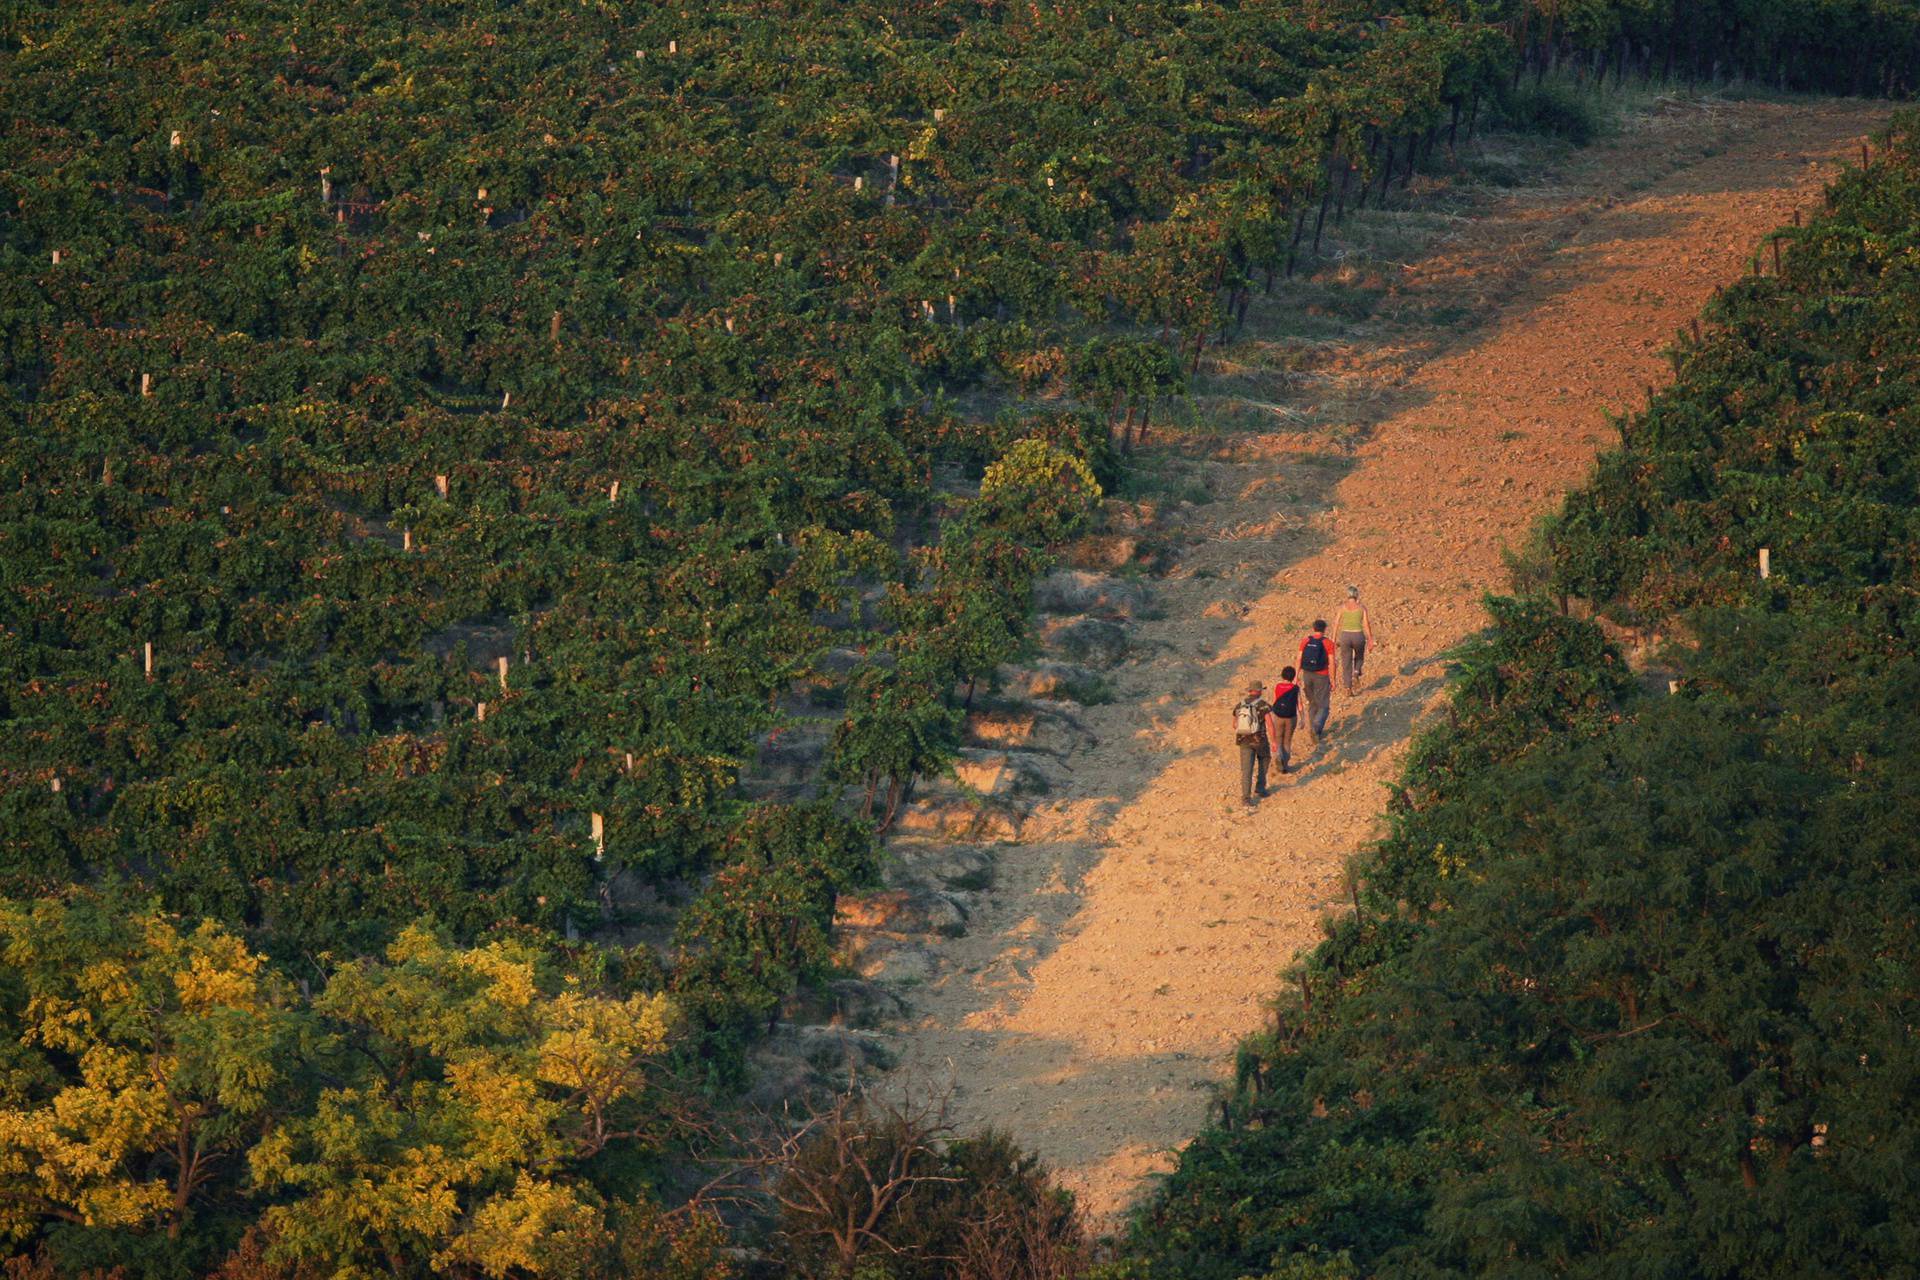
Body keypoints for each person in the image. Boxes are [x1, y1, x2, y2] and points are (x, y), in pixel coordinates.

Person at [1331, 584, 1376, 697]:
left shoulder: (1342, 607)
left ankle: (1348, 688)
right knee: (1360, 656)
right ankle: (1356, 673)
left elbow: (1336, 623)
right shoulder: (1362, 608)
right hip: (1358, 635)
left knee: (1346, 662)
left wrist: (1333, 638)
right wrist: (1370, 639)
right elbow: (1366, 625)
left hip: (1345, 636)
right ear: (1357, 595)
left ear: (1347, 595)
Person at [1231, 681, 1272, 804]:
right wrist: (1274, 741)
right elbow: (1270, 724)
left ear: (1250, 691)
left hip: (1243, 740)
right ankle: (1260, 788)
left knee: (1246, 769)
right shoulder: (1263, 705)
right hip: (1260, 741)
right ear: (1259, 691)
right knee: (1264, 759)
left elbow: (1234, 725)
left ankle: (1246, 798)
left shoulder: (1240, 705)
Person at [1298, 620, 1333, 740]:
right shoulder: (1328, 643)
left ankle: (1313, 729)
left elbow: (1298, 659)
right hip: (1322, 675)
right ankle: (1316, 727)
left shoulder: (1305, 641)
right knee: (1324, 705)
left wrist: (1296, 675)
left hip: (1307, 674)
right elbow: (1332, 662)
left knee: (1312, 703)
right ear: (1325, 629)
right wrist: (1333, 679)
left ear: (1313, 628)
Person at [1268, 666, 1300, 773]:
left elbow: (1275, 701)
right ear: (1293, 676)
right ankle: (1285, 765)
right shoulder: (1296, 688)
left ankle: (1279, 757)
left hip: (1278, 716)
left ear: (1282, 675)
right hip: (1291, 717)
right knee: (1287, 741)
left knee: (1278, 740)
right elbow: (1299, 704)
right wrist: (1303, 717)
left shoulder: (1278, 686)